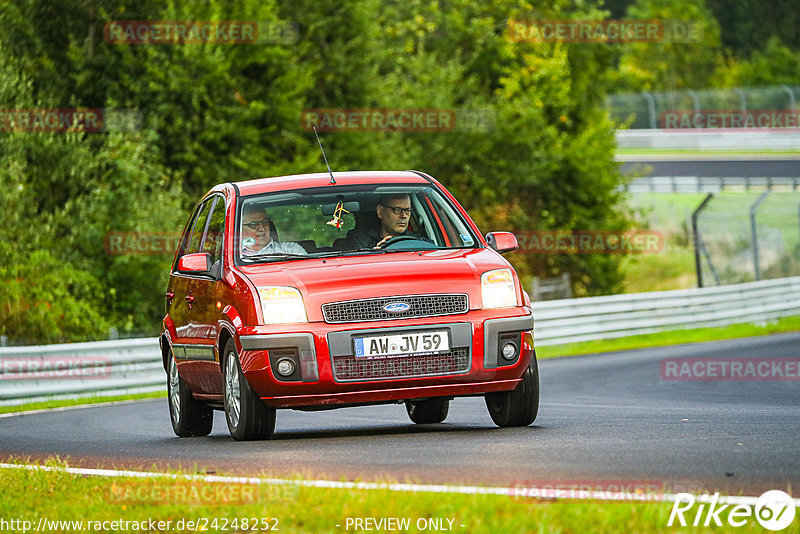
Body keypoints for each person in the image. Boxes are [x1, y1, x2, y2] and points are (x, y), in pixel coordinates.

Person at [346, 193, 429, 249]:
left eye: (407, 210)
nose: (403, 216)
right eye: (397, 209)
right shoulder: (359, 240)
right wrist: (372, 255)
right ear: (380, 211)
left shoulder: (419, 242)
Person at [240, 204, 308, 256]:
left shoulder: (291, 250)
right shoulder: (233, 256)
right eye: (254, 225)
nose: (262, 228)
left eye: (265, 222)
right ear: (240, 228)